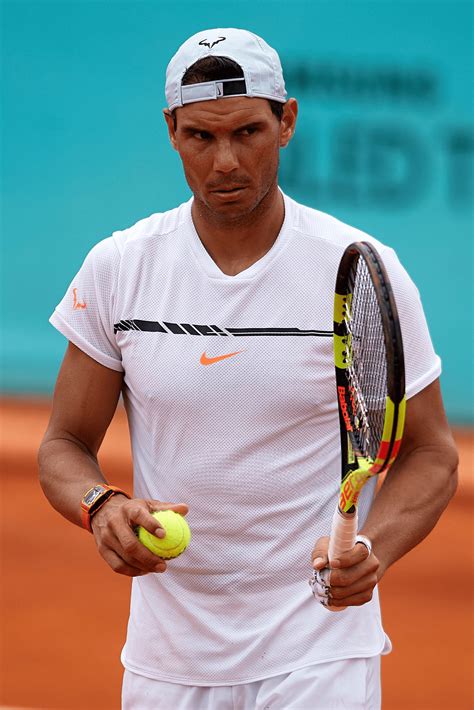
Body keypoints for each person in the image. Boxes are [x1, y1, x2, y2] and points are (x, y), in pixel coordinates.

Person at [39, 28, 458, 710]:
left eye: (248, 132)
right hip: (166, 658)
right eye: (201, 136)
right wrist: (102, 505)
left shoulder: (356, 266)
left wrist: (371, 548)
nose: (226, 161)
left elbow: (433, 453)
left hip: (320, 651)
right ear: (172, 130)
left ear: (287, 122)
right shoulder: (119, 267)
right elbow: (63, 444)